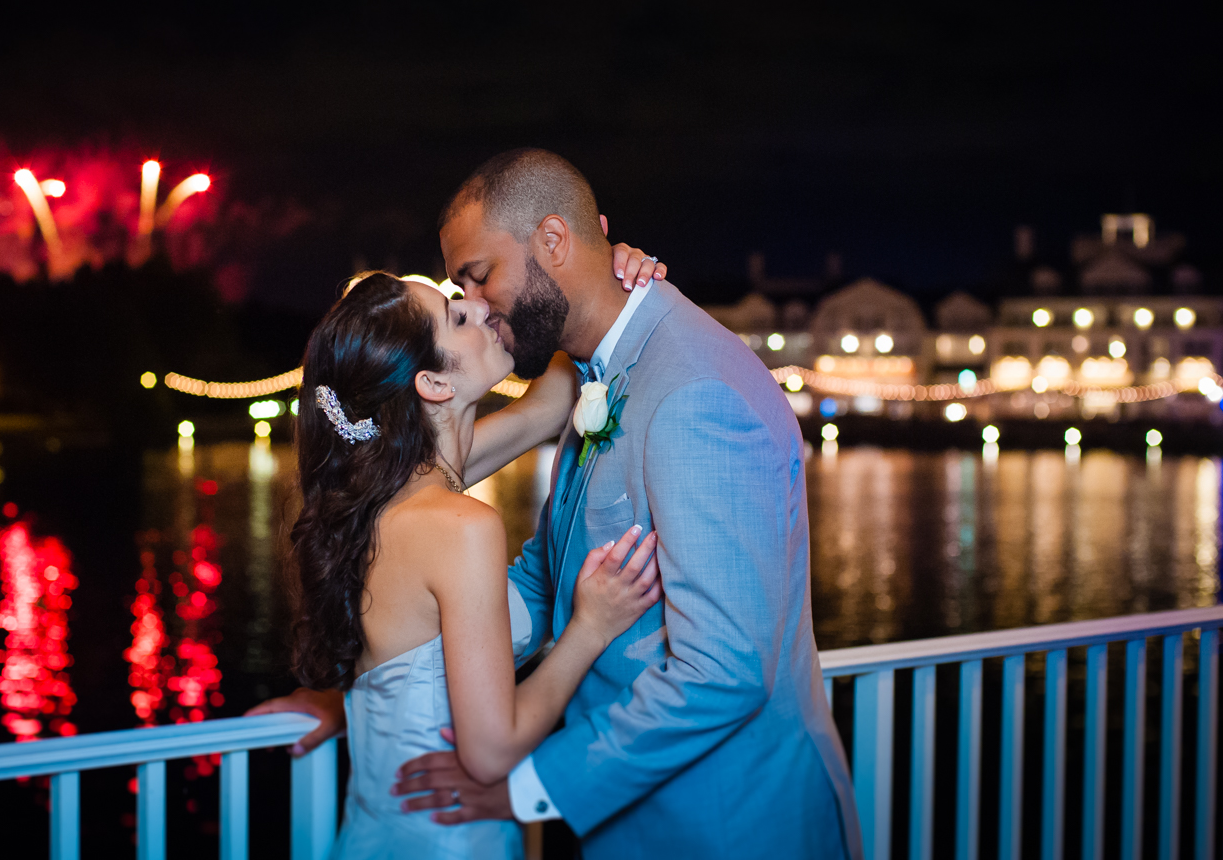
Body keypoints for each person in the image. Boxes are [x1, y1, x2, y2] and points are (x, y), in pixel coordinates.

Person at [255, 148, 859, 858]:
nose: (477, 305)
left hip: (725, 827)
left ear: (551, 242)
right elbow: (538, 576)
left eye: (477, 278)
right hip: (619, 825)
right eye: (458, 299)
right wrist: (372, 686)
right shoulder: (589, 381)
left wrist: (527, 786)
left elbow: (725, 671)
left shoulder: (695, 391)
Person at [263, 249, 667, 859]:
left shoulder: (389, 492)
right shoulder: (458, 523)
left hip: (381, 829)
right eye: (456, 317)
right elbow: (490, 749)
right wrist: (590, 626)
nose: (477, 304)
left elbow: (548, 407)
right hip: (446, 838)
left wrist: (596, 271)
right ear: (433, 383)